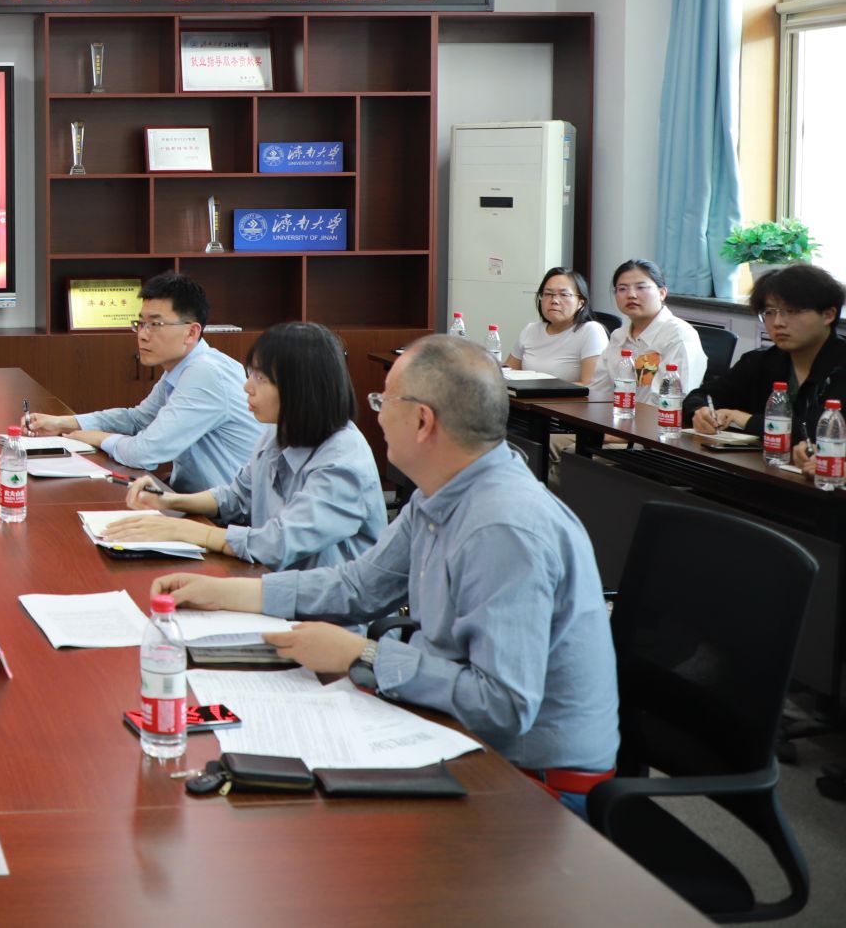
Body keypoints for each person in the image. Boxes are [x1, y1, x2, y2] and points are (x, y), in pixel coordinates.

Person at [154, 335, 619, 814]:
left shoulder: (503, 527)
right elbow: (358, 586)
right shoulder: (440, 494)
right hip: (456, 732)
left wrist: (364, 653)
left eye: (384, 401)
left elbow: (503, 706)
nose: (375, 416)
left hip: (532, 781)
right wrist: (226, 593)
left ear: (422, 420)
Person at [99, 322, 385, 569]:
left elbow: (280, 542)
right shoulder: (277, 433)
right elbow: (237, 497)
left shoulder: (343, 459)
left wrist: (183, 530)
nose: (247, 387)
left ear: (301, 387)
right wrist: (170, 501)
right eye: (250, 374)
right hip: (273, 582)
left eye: (261, 378)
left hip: (327, 608)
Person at [23, 272, 260, 491]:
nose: (143, 335)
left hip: (227, 513)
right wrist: (64, 423)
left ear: (191, 332)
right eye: (141, 324)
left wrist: (101, 438)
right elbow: (137, 419)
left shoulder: (206, 373)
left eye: (155, 325)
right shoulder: (183, 367)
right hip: (191, 498)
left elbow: (146, 453)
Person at [687, 264, 846, 446]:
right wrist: (700, 412)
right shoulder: (760, 361)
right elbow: (700, 396)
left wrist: (746, 420)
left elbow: (823, 431)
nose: (778, 322)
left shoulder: (840, 366)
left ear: (828, 315)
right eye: (769, 312)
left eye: (791, 311)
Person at [587, 258, 708, 404]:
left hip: (661, 417)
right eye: (622, 289)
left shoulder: (678, 335)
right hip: (619, 415)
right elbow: (598, 390)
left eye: (641, 287)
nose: (631, 295)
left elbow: (673, 400)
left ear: (662, 293)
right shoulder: (618, 336)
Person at [507, 267, 607, 384]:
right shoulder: (530, 330)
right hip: (526, 396)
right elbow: (507, 374)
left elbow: (591, 385)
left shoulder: (591, 331)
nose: (554, 300)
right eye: (548, 294)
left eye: (564, 294)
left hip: (567, 398)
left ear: (580, 303)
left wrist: (539, 391)